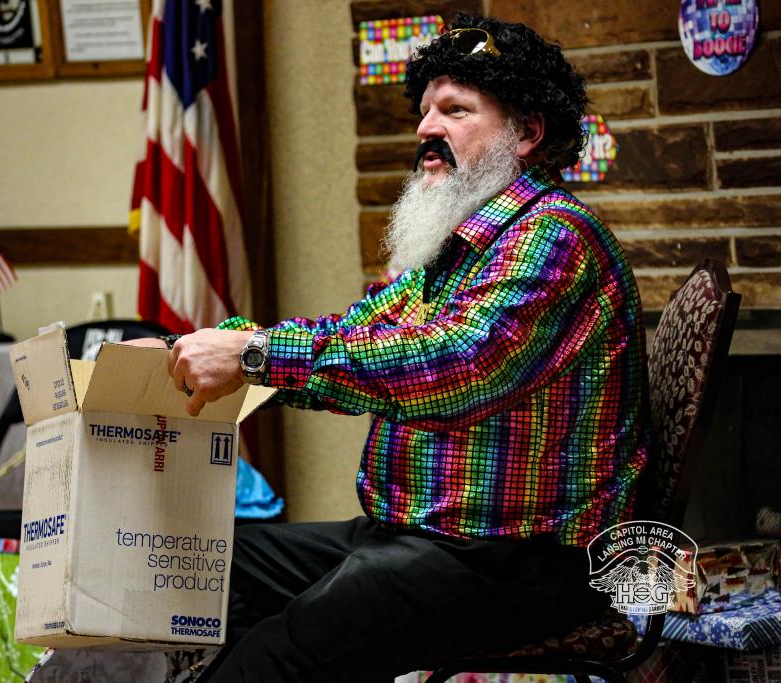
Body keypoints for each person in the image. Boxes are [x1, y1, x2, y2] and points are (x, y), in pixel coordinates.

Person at [130, 13, 649, 682]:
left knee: (277, 655)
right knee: (203, 567)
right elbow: (354, 334)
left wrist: (256, 355)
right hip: (421, 538)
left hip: (520, 559)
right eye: (425, 110)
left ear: (527, 132)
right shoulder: (456, 247)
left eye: (455, 110)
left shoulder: (553, 235)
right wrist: (194, 349)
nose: (427, 128)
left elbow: (454, 364)